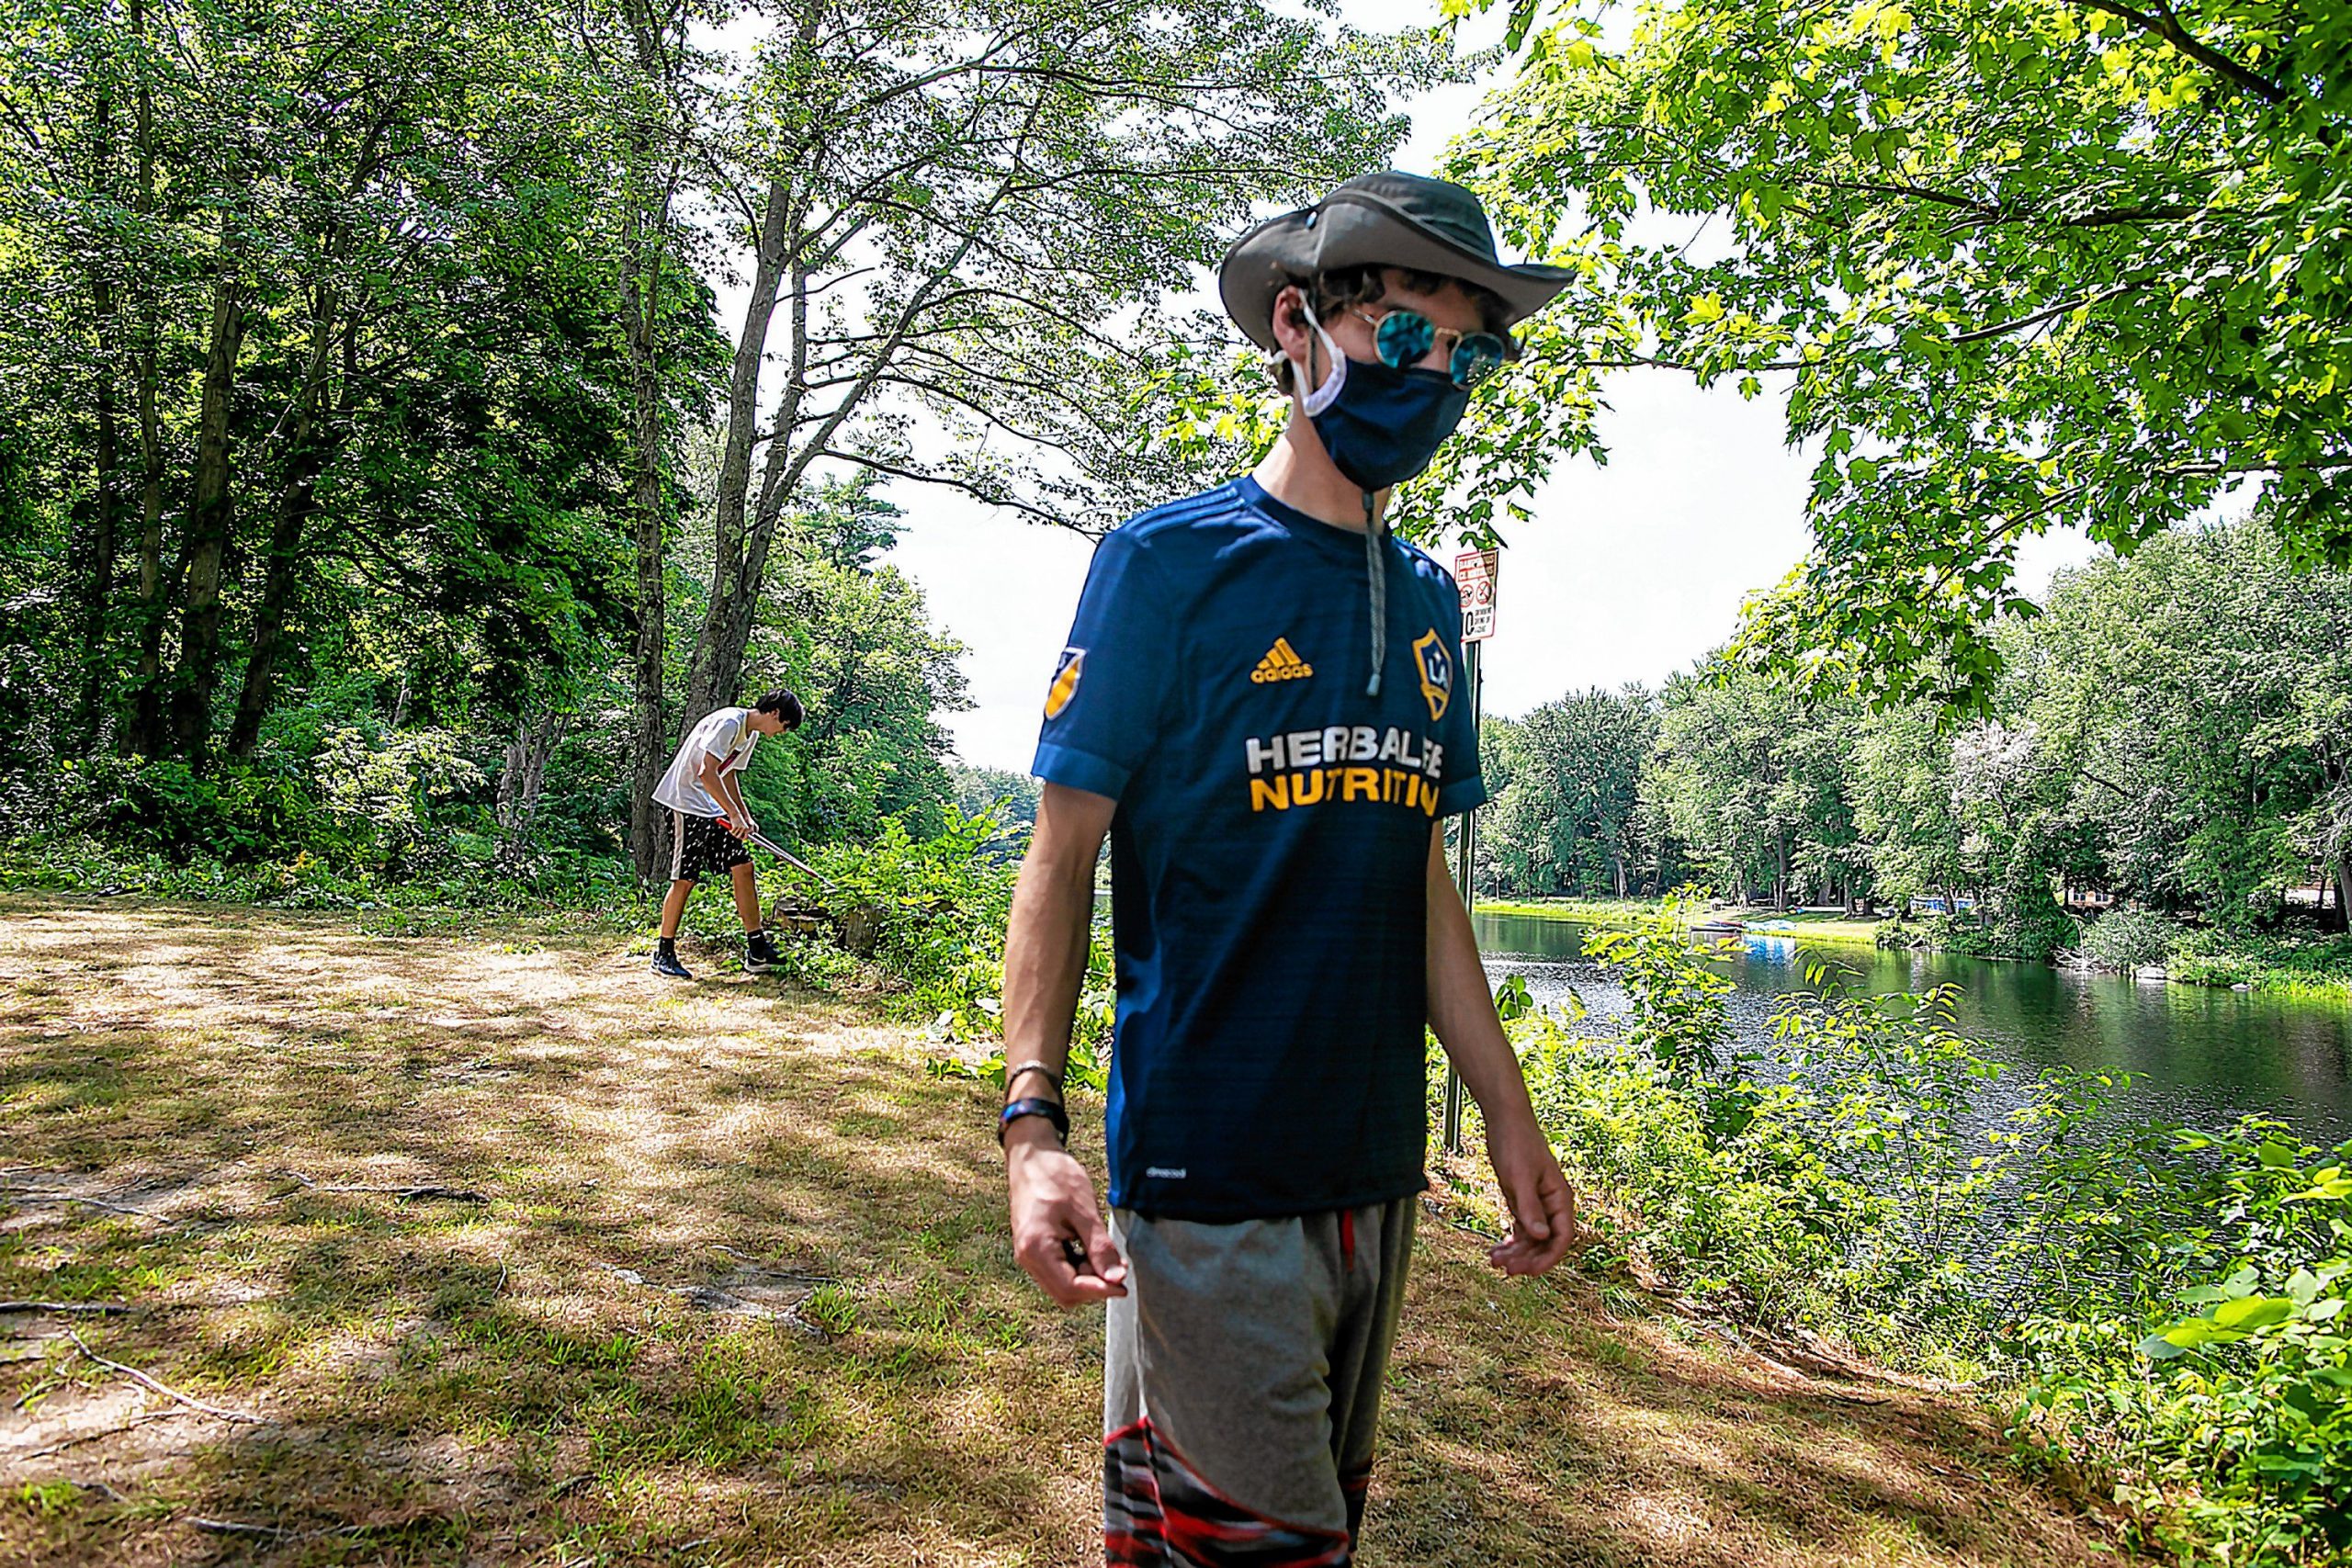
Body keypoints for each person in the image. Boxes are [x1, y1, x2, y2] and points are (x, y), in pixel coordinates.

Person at [999, 171, 1581, 1566]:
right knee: (1266, 1545)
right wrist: (1032, 1129)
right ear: (1297, 324)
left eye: (1468, 352)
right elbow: (1062, 854)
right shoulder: (1165, 564)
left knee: (1292, 1525)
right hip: (1205, 1167)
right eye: (1405, 333)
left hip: (1373, 1167)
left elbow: (1417, 876)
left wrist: (1508, 1113)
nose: (1436, 376)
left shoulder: (1434, 600)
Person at [649, 689, 804, 980]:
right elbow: (707, 772)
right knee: (685, 878)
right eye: (783, 727)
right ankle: (664, 953)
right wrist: (732, 814)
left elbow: (728, 774)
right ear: (774, 714)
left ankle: (757, 950)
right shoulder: (730, 722)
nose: (779, 733)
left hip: (710, 805)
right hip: (685, 802)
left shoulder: (750, 735)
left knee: (743, 867)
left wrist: (744, 815)